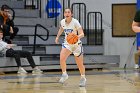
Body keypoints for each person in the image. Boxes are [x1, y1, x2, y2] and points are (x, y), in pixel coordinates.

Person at [55, 8, 86, 87]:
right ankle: (64, 74)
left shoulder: (75, 22)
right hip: (67, 43)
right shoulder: (62, 22)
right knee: (62, 58)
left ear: (71, 14)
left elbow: (82, 34)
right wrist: (57, 37)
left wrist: (76, 37)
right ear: (64, 14)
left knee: (80, 64)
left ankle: (83, 77)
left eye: (69, 12)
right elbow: (61, 28)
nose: (67, 13)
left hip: (76, 44)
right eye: (65, 12)